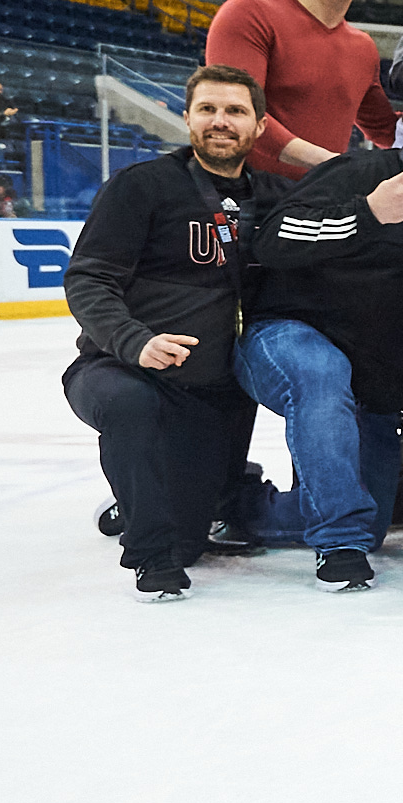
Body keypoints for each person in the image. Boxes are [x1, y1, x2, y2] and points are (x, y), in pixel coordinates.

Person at [241, 83, 403, 589]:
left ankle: (232, 504)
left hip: (370, 392)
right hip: (286, 340)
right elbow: (271, 241)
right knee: (321, 373)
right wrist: (368, 214)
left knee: (375, 521)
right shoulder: (357, 172)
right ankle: (338, 546)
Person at [61, 66, 289, 601]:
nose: (220, 121)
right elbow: (88, 278)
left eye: (235, 111)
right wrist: (135, 341)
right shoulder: (141, 187)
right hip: (115, 368)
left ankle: (145, 503)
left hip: (209, 391)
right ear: (186, 118)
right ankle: (151, 557)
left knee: (193, 539)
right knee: (129, 407)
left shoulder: (276, 199)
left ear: (258, 126)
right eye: (207, 109)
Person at [203, 0, 400, 178]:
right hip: (246, 194)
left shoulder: (363, 48)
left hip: (316, 199)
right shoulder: (249, 13)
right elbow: (237, 113)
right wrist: (331, 163)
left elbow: (386, 130)